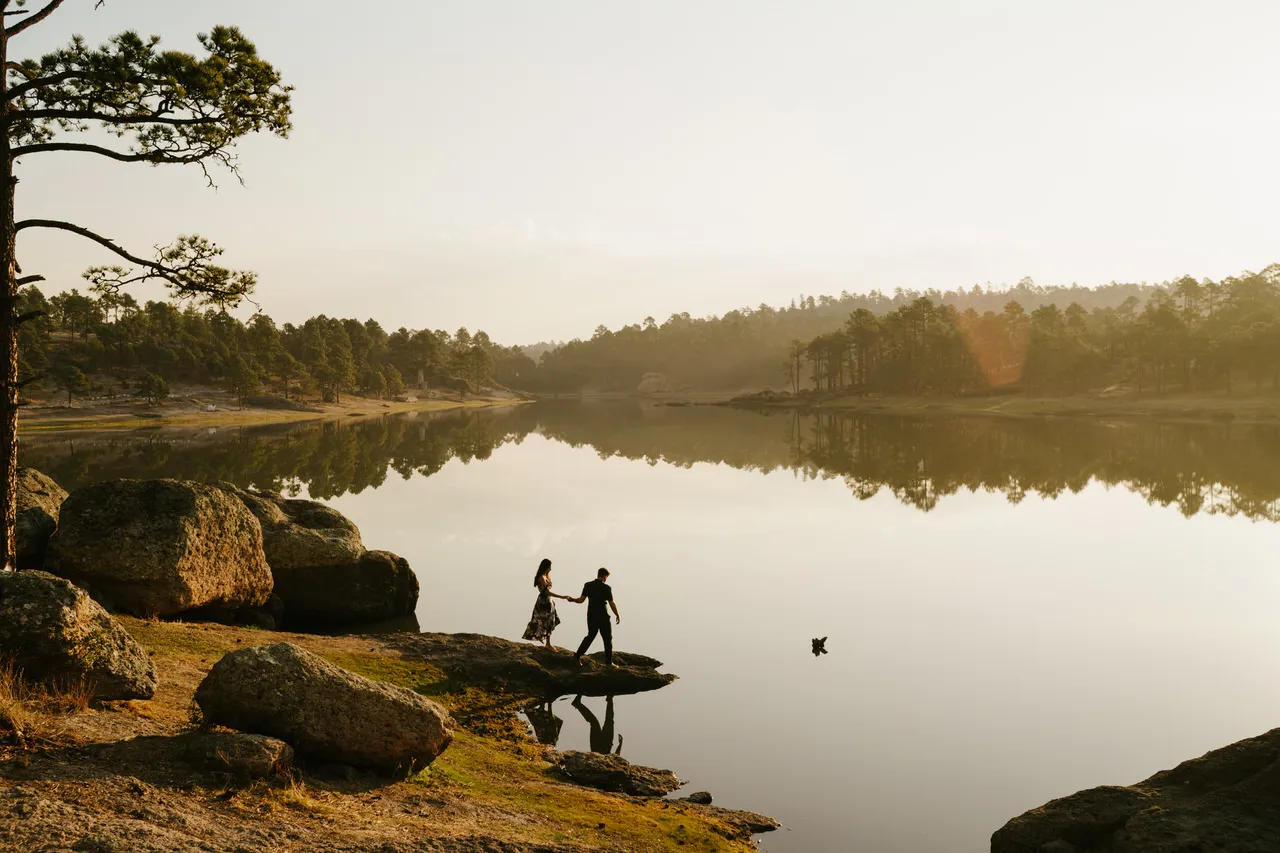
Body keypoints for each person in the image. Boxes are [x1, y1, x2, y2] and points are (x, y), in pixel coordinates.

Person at [570, 567, 620, 667]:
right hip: (602, 615)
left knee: (590, 636)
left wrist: (573, 599)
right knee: (607, 638)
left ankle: (577, 656)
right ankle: (609, 662)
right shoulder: (606, 588)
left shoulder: (588, 585)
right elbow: (611, 603)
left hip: (591, 615)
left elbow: (581, 600)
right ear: (605, 576)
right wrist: (617, 614)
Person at [522, 558, 570, 648]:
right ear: (546, 567)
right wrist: (561, 597)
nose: (551, 569)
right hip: (544, 601)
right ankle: (547, 643)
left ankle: (543, 638)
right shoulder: (541, 577)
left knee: (549, 621)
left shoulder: (545, 576)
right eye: (550, 567)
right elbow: (546, 592)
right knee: (545, 621)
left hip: (548, 601)